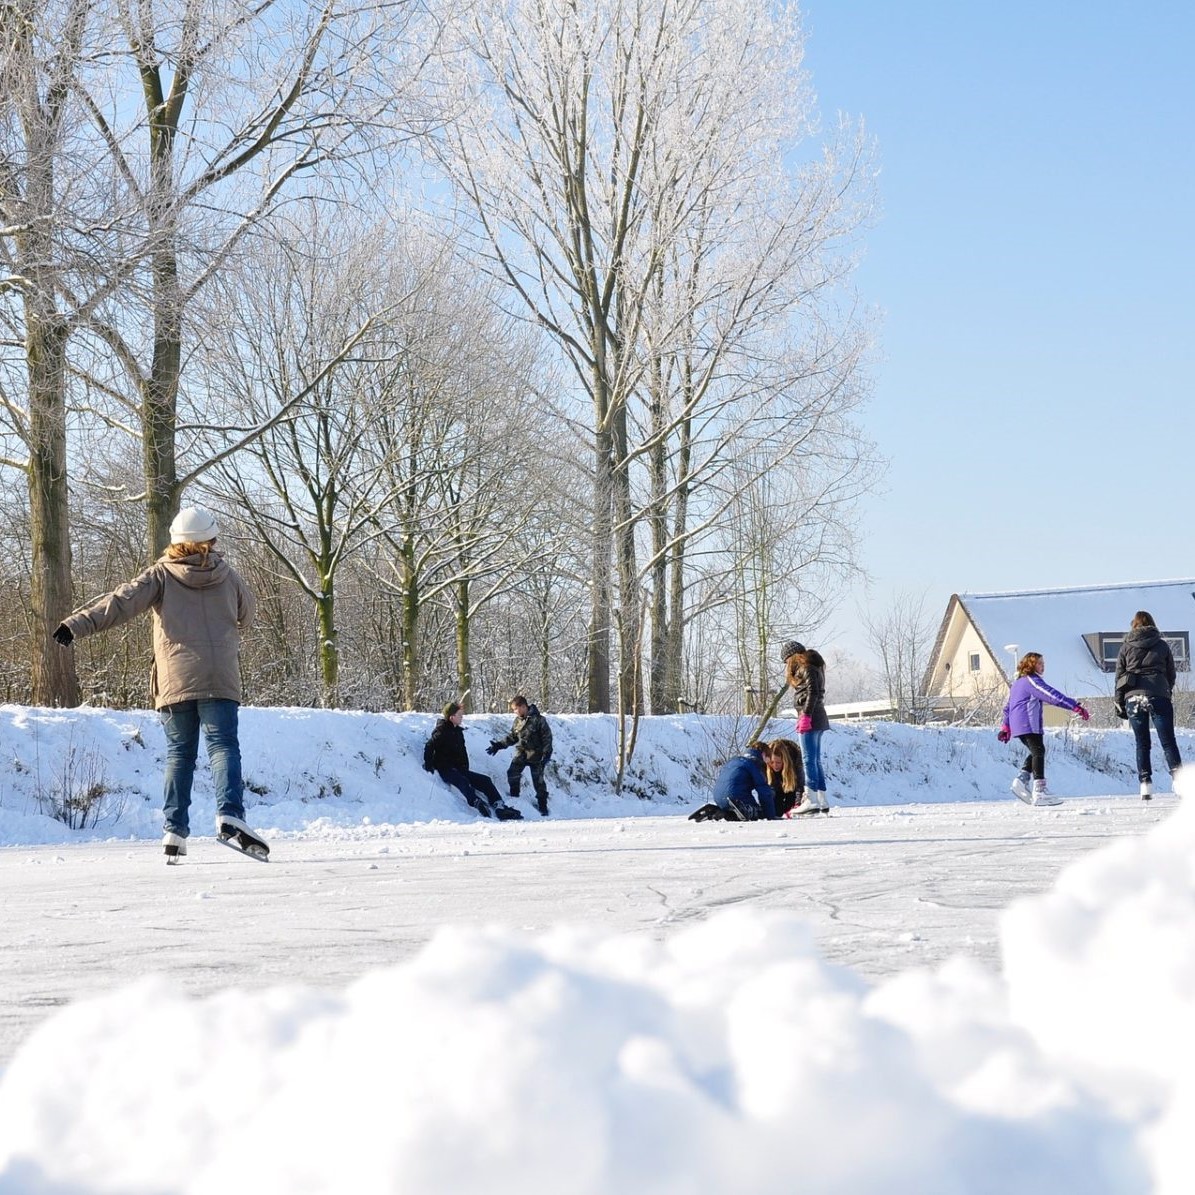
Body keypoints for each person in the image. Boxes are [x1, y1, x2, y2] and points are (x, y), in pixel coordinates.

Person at [52, 505, 267, 862]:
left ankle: (174, 832)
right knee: (223, 747)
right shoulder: (229, 576)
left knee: (180, 755)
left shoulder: (160, 576)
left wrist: (76, 624)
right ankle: (230, 815)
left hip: (175, 678)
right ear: (210, 539)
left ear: (175, 541)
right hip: (220, 676)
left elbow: (120, 603)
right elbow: (247, 614)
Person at [998, 651, 1089, 806]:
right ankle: (1039, 790)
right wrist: (1074, 706)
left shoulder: (1018, 683)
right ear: (1030, 665)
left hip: (1022, 723)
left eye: (1043, 663)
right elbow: (1050, 695)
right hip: (1027, 722)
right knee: (1038, 751)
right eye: (1039, 663)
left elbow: (1008, 707)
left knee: (1037, 751)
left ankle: (1021, 780)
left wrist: (1006, 726)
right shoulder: (1031, 681)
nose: (1043, 666)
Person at [1115, 610, 1183, 800]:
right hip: (1158, 694)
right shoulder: (1161, 645)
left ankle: (1145, 784)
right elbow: (1171, 673)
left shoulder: (1126, 646)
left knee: (1142, 743)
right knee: (1168, 740)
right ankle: (1178, 780)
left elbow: (1119, 676)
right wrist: (1165, 689)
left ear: (1133, 625)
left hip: (1133, 696)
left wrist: (1119, 701)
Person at [423, 702, 523, 819]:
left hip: (460, 768)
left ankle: (499, 805)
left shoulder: (458, 732)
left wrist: (464, 766)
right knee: (462, 781)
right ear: (452, 717)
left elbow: (462, 751)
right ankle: (475, 801)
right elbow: (429, 746)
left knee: (485, 780)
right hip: (446, 769)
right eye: (459, 715)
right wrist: (428, 763)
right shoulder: (441, 731)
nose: (462, 717)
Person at [487, 694, 553, 816]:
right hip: (522, 752)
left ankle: (543, 805)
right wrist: (498, 745)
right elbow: (512, 737)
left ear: (523, 706)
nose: (515, 712)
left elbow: (547, 738)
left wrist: (546, 754)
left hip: (537, 754)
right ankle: (515, 797)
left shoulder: (539, 720)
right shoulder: (518, 721)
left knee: (538, 781)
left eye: (516, 709)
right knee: (512, 772)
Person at [786, 645, 831, 815]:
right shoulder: (815, 667)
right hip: (818, 717)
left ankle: (811, 798)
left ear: (793, 657)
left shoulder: (806, 668)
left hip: (811, 719)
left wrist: (805, 715)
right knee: (815, 759)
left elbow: (812, 692)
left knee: (808, 759)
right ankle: (821, 799)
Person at [706, 741, 778, 820]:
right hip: (736, 797)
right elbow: (764, 792)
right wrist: (770, 816)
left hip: (717, 797)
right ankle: (745, 811)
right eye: (769, 758)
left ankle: (721, 812)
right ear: (764, 755)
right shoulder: (755, 764)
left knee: (734, 809)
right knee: (758, 812)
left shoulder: (733, 760)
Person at [762, 738, 805, 817]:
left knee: (790, 806)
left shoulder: (796, 763)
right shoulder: (764, 763)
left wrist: (798, 804)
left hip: (791, 784)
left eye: (778, 762)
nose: (775, 765)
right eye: (772, 762)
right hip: (776, 784)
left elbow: (800, 786)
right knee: (775, 809)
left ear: (784, 761)